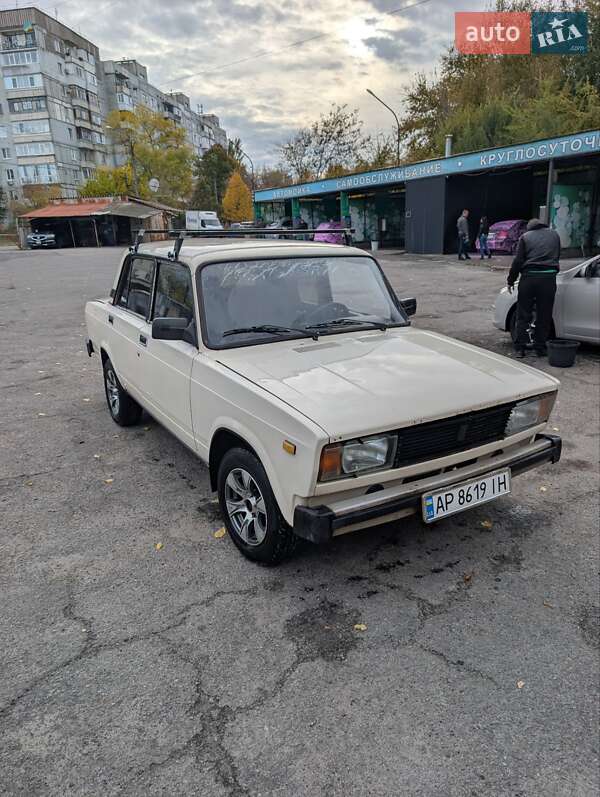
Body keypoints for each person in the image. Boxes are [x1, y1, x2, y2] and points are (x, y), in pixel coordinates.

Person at [507, 218, 560, 358]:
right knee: (544, 314)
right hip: (548, 279)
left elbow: (518, 261)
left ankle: (520, 348)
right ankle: (540, 348)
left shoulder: (525, 237)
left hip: (529, 278)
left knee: (523, 314)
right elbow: (557, 256)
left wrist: (511, 280)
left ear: (530, 228)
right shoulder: (554, 235)